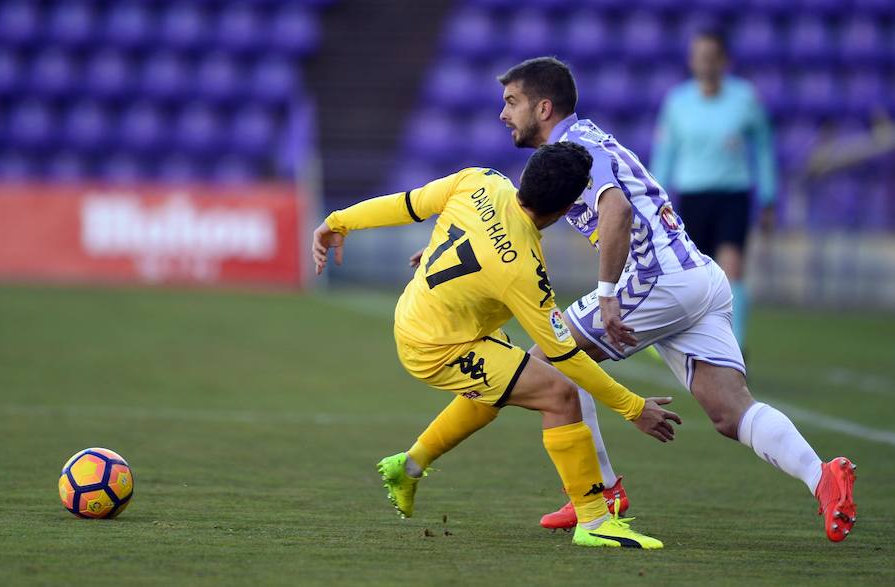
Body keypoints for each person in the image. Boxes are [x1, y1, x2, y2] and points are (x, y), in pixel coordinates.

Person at [405, 57, 856, 542]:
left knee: (550, 364)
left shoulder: (575, 146)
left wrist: (606, 297)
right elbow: (521, 211)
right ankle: (823, 476)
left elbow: (615, 211)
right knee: (730, 413)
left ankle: (601, 494)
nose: (503, 114)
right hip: (697, 276)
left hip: (656, 278)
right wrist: (452, 245)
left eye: (511, 103)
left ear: (543, 106)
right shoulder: (581, 143)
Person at [313, 142, 680, 549]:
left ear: (525, 175)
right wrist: (633, 407)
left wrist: (338, 221)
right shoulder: (523, 269)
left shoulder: (480, 180)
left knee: (499, 390)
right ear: (565, 210)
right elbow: (565, 356)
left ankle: (410, 465)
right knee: (559, 392)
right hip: (437, 346)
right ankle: (594, 520)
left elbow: (408, 204)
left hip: (427, 313)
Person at [651, 29, 777, 351]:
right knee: (698, 278)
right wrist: (653, 197)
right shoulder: (677, 102)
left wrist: (768, 196)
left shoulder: (745, 98)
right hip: (692, 196)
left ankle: (735, 346)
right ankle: (701, 343)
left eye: (711, 56)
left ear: (724, 61)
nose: (704, 63)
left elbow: (763, 147)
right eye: (699, 56)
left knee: (731, 268)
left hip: (732, 194)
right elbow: (666, 152)